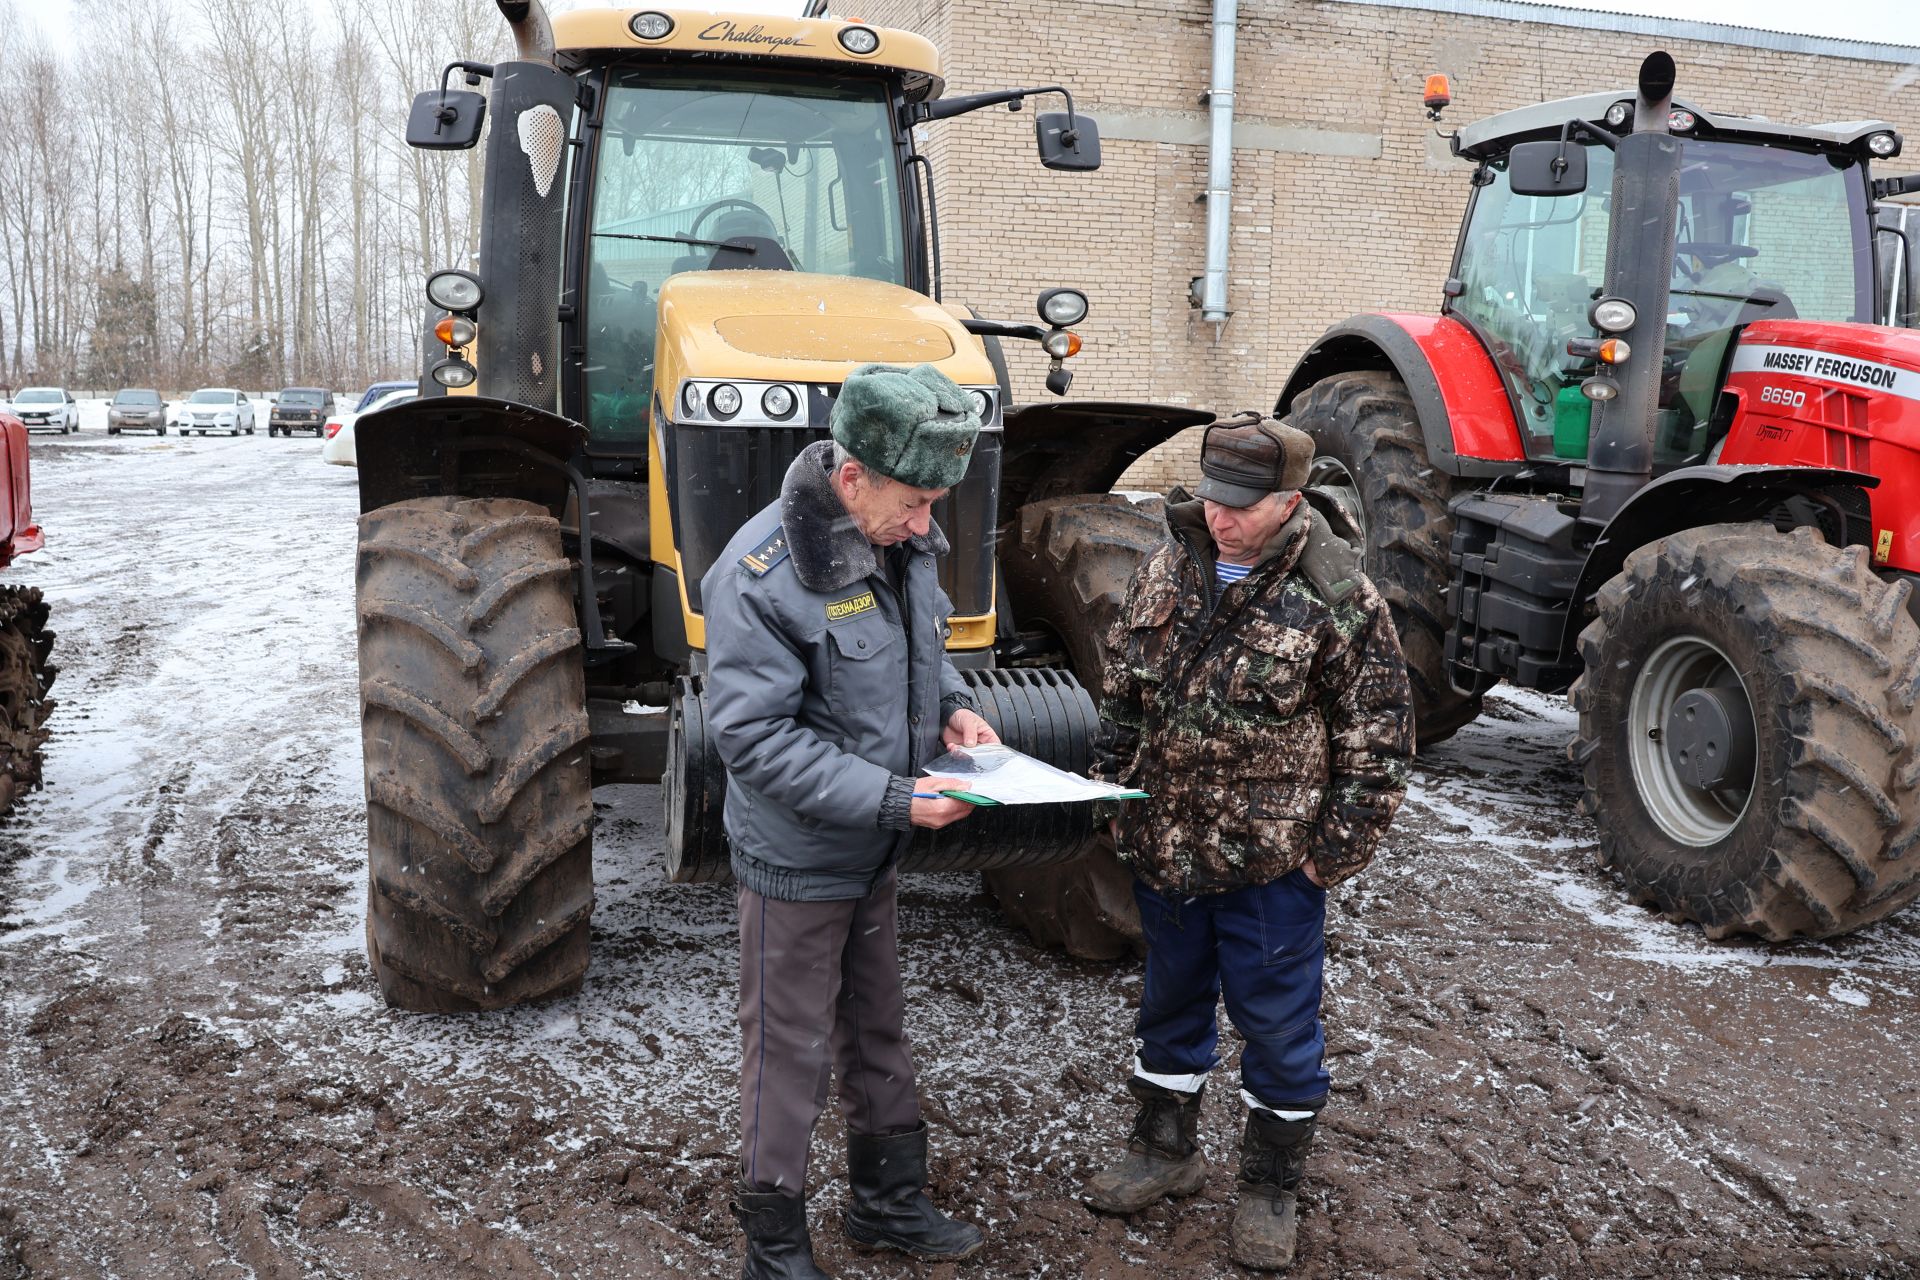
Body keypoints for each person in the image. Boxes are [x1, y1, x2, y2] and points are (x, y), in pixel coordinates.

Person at [1081, 416, 1414, 1270]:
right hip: (1167, 851)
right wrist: (1117, 805)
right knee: (1169, 1007)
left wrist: (1325, 858)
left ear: (1289, 503)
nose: (1219, 517)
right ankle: (1165, 1150)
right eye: (1211, 497)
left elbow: (1377, 742)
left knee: (1277, 1030)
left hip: (1272, 868)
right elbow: (1122, 697)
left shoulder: (1337, 598)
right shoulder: (1167, 567)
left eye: (1240, 505)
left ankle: (1270, 1184)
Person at [702, 362, 998, 1279]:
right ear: (852, 476)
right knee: (786, 1053)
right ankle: (774, 1248)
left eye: (934, 504)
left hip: (875, 846)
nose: (927, 526)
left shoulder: (895, 537)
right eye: (914, 504)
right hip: (798, 859)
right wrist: (896, 797)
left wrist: (950, 704)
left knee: (876, 1027)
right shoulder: (761, 576)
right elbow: (752, 739)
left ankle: (886, 1203)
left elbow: (914, 648)